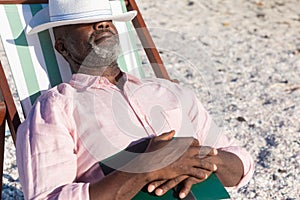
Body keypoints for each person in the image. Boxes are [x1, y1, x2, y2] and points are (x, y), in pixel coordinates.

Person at [16, 0, 254, 199]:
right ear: (62, 48)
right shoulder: (56, 107)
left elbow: (241, 166)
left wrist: (197, 159)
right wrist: (144, 168)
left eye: (106, 20)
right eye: (85, 22)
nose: (102, 24)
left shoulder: (171, 92)